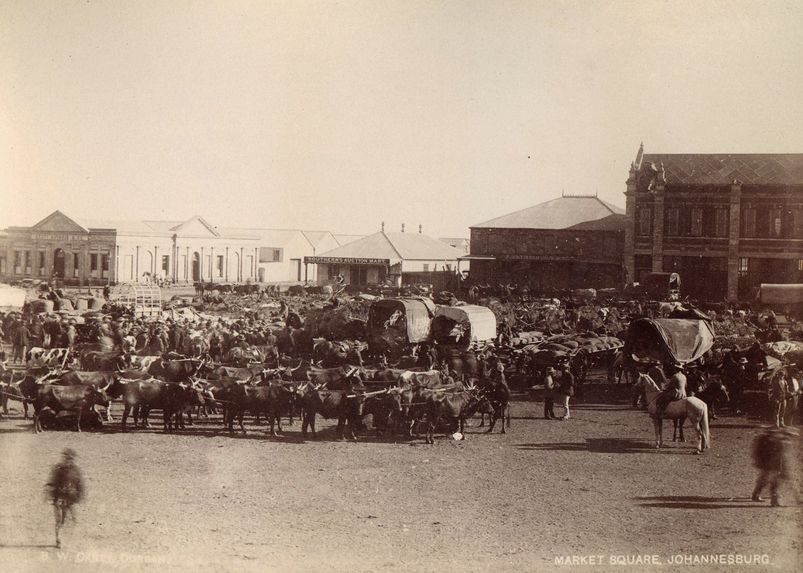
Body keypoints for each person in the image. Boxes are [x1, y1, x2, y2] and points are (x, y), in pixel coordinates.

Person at [46, 448, 85, 548]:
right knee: (60, 520)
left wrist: (79, 495)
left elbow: (80, 484)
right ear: (64, 458)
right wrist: (50, 496)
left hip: (70, 499)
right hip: (59, 499)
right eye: (67, 458)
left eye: (71, 459)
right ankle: (59, 540)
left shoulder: (76, 470)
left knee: (73, 520)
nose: (69, 460)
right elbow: (51, 483)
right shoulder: (58, 469)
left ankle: (67, 539)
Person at [751, 426, 796, 507]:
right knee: (774, 483)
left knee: (766, 480)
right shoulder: (782, 442)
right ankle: (774, 500)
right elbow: (780, 456)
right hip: (775, 466)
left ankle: (757, 495)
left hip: (770, 465)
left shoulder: (774, 441)